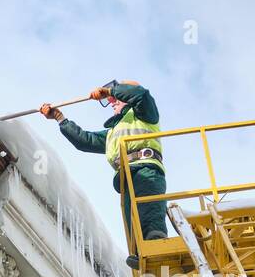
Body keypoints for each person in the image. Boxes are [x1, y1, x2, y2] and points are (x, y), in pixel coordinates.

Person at [40, 81, 168, 267]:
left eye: (116, 99)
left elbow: (140, 94)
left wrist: (109, 91)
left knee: (149, 209)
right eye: (111, 99)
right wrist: (60, 118)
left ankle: (156, 244)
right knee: (131, 217)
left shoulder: (144, 115)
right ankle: (142, 253)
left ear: (128, 98)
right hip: (125, 177)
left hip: (146, 170)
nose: (112, 102)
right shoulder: (112, 133)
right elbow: (85, 141)